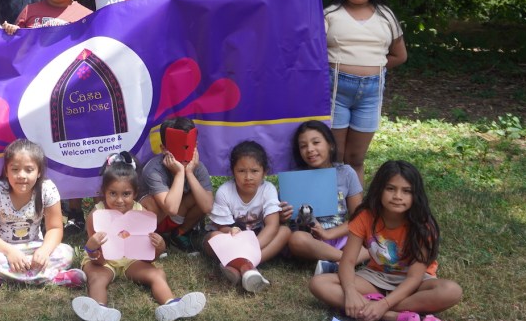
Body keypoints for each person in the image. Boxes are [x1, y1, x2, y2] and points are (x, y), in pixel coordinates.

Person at [309, 160, 463, 321]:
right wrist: (350, 291)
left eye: (406, 191)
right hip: (376, 277)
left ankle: (374, 308)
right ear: (379, 189)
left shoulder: (423, 226)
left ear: (415, 195)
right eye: (390, 189)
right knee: (319, 283)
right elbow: (347, 262)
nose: (397, 196)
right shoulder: (365, 217)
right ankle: (392, 317)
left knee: (451, 291)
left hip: (415, 283)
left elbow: (414, 278)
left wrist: (384, 304)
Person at [72, 152, 206, 321]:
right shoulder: (96, 215)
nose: (119, 200)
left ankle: (171, 304)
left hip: (131, 260)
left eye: (126, 194)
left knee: (157, 274)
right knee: (97, 278)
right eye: (113, 193)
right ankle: (99, 308)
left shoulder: (140, 212)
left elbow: (148, 257)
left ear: (135, 193)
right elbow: (95, 255)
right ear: (103, 192)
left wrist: (159, 246)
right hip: (102, 261)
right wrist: (92, 248)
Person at [324, 0, 407, 179]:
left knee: (356, 158)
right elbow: (311, 56)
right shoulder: (330, 14)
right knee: (335, 157)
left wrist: (372, 66)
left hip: (370, 94)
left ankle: (356, 209)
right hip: (335, 91)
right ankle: (332, 210)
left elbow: (400, 55)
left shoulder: (386, 15)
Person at [0, 139, 84, 286]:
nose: (21, 175)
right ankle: (51, 278)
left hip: (34, 248)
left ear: (39, 172)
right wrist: (10, 252)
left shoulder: (47, 188)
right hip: (2, 250)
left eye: (29, 169)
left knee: (66, 252)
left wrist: (44, 251)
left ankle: (3, 279)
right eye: (15, 169)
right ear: (6, 171)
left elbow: (55, 228)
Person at [203, 141, 290, 293]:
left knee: (285, 232)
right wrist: (231, 232)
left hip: (258, 239)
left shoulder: (268, 189)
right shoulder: (224, 192)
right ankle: (248, 269)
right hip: (231, 239)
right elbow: (222, 227)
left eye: (254, 171)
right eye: (241, 171)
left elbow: (272, 225)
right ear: (232, 171)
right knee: (212, 237)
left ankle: (241, 265)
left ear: (265, 172)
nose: (248, 177)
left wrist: (250, 248)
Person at [283, 120, 368, 273]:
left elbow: (359, 217)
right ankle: (344, 261)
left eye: (316, 142)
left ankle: (335, 264)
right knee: (296, 240)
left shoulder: (346, 173)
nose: (310, 149)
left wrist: (329, 233)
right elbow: (282, 219)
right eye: (303, 146)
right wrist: (283, 215)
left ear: (331, 145)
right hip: (310, 240)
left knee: (370, 240)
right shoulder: (294, 179)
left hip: (340, 235)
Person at [138, 117, 214, 251]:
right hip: (154, 218)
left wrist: (189, 173)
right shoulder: (154, 169)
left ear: (195, 146)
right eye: (177, 147)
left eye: (189, 146)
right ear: (163, 149)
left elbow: (207, 207)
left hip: (177, 215)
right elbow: (171, 208)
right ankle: (150, 238)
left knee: (199, 195)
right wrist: (180, 173)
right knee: (152, 202)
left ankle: (179, 234)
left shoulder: (198, 167)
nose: (184, 153)